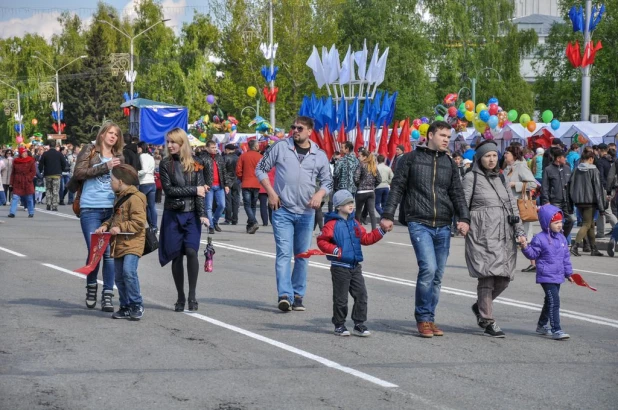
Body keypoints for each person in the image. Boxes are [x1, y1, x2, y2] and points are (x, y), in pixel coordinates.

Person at [380, 121, 470, 338]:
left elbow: (457, 193)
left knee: (437, 274)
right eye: (442, 135)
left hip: (443, 224)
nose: (447, 139)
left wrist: (464, 218)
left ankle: (430, 317)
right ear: (430, 135)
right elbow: (398, 187)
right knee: (428, 269)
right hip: (418, 221)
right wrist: (387, 215)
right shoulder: (410, 159)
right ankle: (422, 318)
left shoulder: (449, 163)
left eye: (448, 136)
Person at [256, 116, 332, 312]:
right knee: (283, 254)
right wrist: (271, 193)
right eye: (293, 127)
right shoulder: (281, 147)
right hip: (283, 210)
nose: (295, 130)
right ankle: (284, 295)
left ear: (309, 132)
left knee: (302, 255)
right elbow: (261, 169)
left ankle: (297, 295)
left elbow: (327, 181)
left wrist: (320, 194)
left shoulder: (319, 154)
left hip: (306, 213)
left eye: (299, 128)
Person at [463, 141, 526, 338]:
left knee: (504, 278)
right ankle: (487, 320)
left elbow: (512, 207)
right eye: (486, 156)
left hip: (505, 234)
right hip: (482, 233)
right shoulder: (471, 177)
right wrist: (464, 222)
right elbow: (463, 205)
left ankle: (481, 306)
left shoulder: (501, 177)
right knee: (487, 276)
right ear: (479, 158)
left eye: (493, 155)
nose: (491, 159)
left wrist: (520, 231)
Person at [68, 122, 124, 312]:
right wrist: (105, 166)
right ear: (102, 135)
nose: (113, 137)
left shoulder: (119, 156)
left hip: (110, 209)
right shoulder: (89, 151)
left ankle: (107, 295)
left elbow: (123, 182)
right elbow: (79, 173)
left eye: (116, 135)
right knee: (96, 251)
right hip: (90, 208)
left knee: (108, 254)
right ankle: (91, 288)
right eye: (110, 133)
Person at [317, 189, 385, 337]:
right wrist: (334, 250)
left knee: (361, 295)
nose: (351, 205)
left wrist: (381, 231)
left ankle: (359, 324)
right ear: (338, 206)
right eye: (347, 203)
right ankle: (339, 325)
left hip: (355, 267)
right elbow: (321, 241)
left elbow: (366, 239)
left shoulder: (354, 223)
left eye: (351, 202)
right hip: (340, 267)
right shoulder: (331, 224)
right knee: (341, 299)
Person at [158, 128, 209, 312]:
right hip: (173, 214)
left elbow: (201, 193)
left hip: (192, 215)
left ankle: (192, 295)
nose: (170, 145)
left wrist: (203, 214)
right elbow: (169, 191)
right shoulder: (165, 164)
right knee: (176, 255)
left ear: (182, 143)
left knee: (192, 251)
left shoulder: (196, 164)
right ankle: (180, 295)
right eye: (168, 142)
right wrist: (195, 190)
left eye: (173, 142)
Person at [95, 164, 147, 320]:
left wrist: (120, 227)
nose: (110, 183)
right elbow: (114, 217)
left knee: (128, 272)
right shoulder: (119, 196)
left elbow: (139, 222)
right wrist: (105, 225)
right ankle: (124, 306)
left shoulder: (136, 198)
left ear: (121, 181)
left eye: (112, 179)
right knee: (118, 277)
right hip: (118, 243)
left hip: (133, 242)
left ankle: (136, 304)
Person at [521, 205, 573, 340]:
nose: (559, 225)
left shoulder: (562, 238)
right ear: (546, 223)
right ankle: (557, 329)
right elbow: (532, 254)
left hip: (558, 275)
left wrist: (569, 273)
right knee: (554, 301)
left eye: (560, 222)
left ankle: (541, 325)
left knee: (549, 301)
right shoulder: (540, 238)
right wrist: (525, 247)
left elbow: (565, 258)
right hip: (546, 276)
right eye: (556, 223)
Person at [503, 144, 538, 272]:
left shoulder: (521, 166)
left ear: (514, 154)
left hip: (520, 204)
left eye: (507, 153)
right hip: (509, 205)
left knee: (526, 233)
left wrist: (515, 184)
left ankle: (534, 262)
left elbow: (533, 184)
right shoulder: (507, 168)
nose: (505, 155)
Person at [569, 148, 607, 257]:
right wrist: (601, 207)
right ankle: (575, 246)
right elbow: (598, 188)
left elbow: (571, 186)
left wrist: (573, 200)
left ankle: (593, 248)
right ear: (591, 159)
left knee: (590, 225)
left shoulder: (576, 170)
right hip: (591, 201)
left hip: (579, 201)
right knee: (587, 224)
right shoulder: (594, 170)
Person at [541, 147, 574, 239]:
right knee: (555, 222)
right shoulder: (548, 169)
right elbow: (545, 186)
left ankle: (561, 238)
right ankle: (554, 240)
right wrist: (546, 200)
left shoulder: (567, 168)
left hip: (566, 201)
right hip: (554, 201)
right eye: (564, 157)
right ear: (558, 158)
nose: (566, 159)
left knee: (571, 220)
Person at [200, 140, 230, 234]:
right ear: (207, 148)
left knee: (222, 205)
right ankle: (211, 226)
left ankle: (215, 221)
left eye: (215, 147)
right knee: (208, 207)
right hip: (209, 186)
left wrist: (226, 184)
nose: (214, 149)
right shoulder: (202, 158)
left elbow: (224, 171)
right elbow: (199, 173)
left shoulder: (219, 157)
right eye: (212, 147)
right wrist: (203, 183)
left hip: (219, 185)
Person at [236, 140, 263, 234]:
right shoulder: (260, 157)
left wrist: (242, 178)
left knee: (247, 205)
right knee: (253, 205)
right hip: (256, 183)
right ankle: (251, 224)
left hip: (246, 183)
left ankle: (253, 222)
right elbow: (264, 169)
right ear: (255, 147)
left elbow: (238, 170)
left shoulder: (243, 156)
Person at [354, 148, 381, 230]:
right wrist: (373, 186)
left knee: (358, 211)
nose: (359, 157)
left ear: (365, 157)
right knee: (372, 212)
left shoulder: (361, 164)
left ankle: (357, 229)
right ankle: (374, 230)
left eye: (360, 156)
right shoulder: (374, 166)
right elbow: (379, 179)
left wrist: (359, 185)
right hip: (371, 192)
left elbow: (356, 177)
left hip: (361, 191)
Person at [38, 139, 67, 211]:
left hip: (47, 174)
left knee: (48, 189)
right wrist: (62, 170)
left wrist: (41, 171)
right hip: (57, 174)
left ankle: (48, 204)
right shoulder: (59, 154)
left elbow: (41, 164)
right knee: (55, 190)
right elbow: (64, 163)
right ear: (55, 146)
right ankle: (54, 205)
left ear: (49, 146)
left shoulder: (45, 154)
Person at [595, 143, 617, 238]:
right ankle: (600, 232)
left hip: (604, 188)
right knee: (602, 210)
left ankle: (616, 229)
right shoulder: (612, 159)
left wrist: (604, 188)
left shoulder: (600, 162)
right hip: (613, 188)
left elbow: (601, 176)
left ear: (599, 150)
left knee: (607, 211)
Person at [7, 147, 36, 218]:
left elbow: (33, 171)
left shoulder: (31, 160)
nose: (25, 153)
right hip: (18, 181)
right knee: (15, 197)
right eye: (23, 152)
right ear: (20, 153)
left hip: (27, 181)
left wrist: (29, 178)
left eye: (25, 152)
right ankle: (12, 212)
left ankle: (31, 212)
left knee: (29, 197)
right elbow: (13, 173)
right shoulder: (16, 161)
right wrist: (11, 183)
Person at [137, 141, 158, 230]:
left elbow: (144, 170)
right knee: (152, 206)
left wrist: (135, 173)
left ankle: (142, 224)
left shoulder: (142, 156)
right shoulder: (151, 156)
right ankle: (154, 225)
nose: (137, 149)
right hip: (152, 182)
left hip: (144, 182)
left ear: (141, 147)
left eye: (137, 147)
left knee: (141, 205)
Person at [222, 144, 240, 227]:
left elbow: (223, 170)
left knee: (228, 200)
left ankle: (228, 218)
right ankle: (235, 219)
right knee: (235, 200)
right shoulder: (238, 158)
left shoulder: (225, 158)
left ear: (227, 150)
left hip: (227, 181)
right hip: (236, 180)